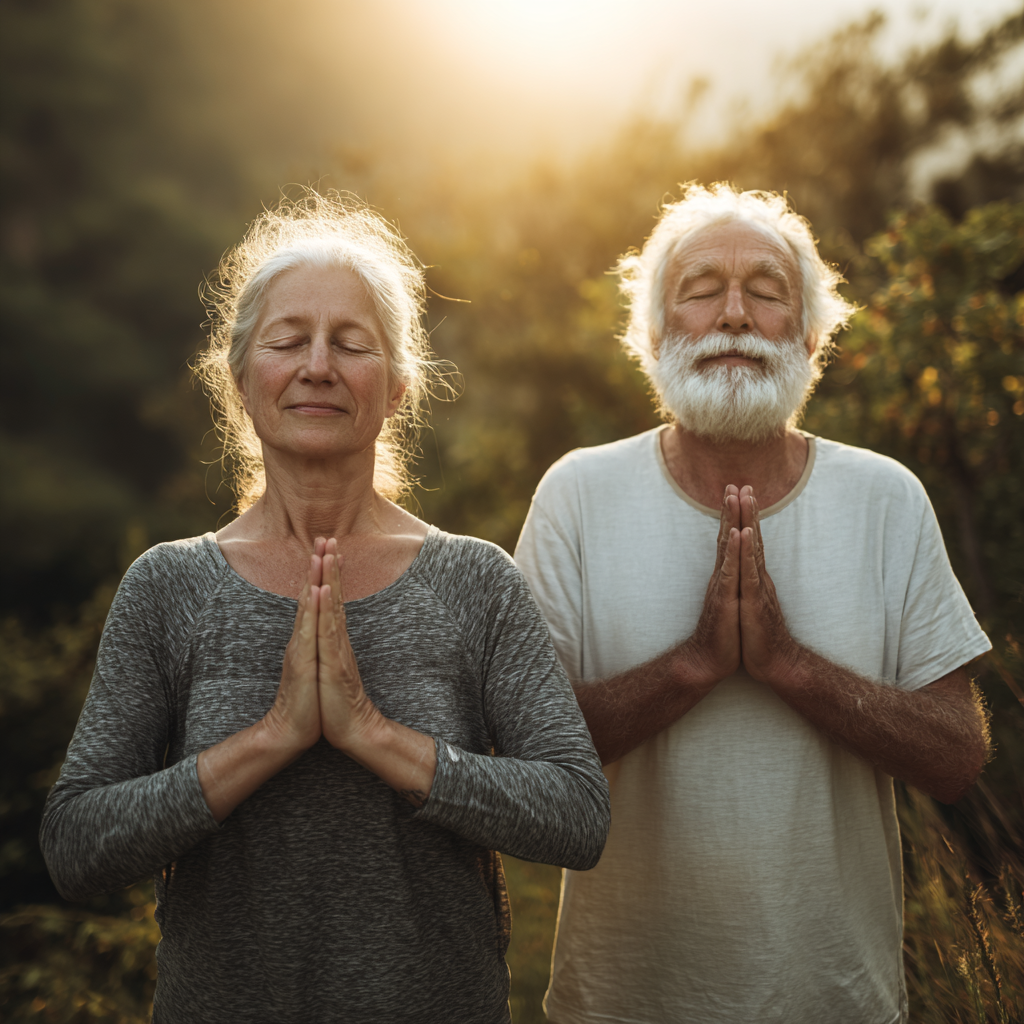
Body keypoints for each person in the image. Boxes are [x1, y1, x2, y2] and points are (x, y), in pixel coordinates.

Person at [40, 189, 610, 1024]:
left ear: (398, 386)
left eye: (352, 344)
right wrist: (271, 739)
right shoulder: (170, 586)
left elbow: (577, 814)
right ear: (240, 378)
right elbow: (77, 844)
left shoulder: (473, 582)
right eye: (288, 340)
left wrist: (374, 737)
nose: (318, 366)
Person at [514, 183, 991, 1024]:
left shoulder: (887, 499)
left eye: (767, 292)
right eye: (700, 290)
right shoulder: (577, 494)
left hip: (837, 1000)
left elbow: (957, 754)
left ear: (809, 334)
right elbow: (525, 753)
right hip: (623, 1002)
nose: (734, 314)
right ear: (657, 333)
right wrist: (693, 667)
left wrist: (790, 668)